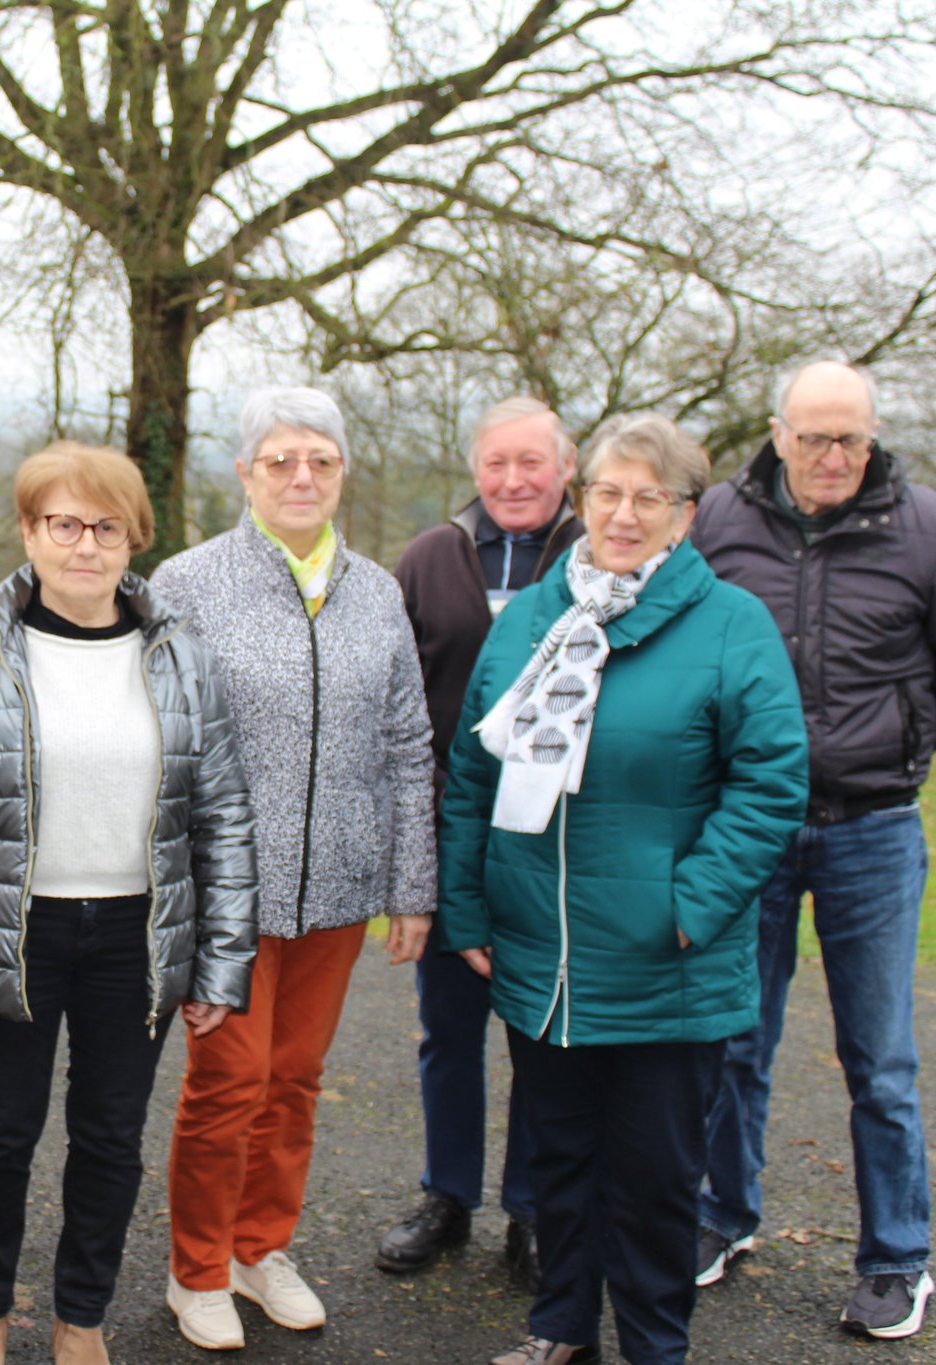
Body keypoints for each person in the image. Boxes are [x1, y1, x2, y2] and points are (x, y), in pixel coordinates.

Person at [440, 412, 808, 1365]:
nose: (625, 512)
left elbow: (771, 783)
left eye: (651, 497)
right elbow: (472, 771)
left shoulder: (731, 624)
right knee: (556, 1164)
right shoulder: (532, 619)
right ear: (583, 498)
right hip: (541, 957)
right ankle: (561, 1329)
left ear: (686, 515)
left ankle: (655, 1346)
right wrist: (470, 906)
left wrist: (689, 909)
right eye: (608, 492)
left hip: (661, 963)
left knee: (653, 1179)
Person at [0, 441, 257, 1365]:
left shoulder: (179, 657)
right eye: (63, 523)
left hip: (136, 935)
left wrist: (221, 963)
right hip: (14, 931)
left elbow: (225, 819)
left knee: (110, 1137)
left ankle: (80, 1319)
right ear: (29, 531)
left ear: (133, 538)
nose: (84, 545)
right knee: (2, 1132)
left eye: (105, 526)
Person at [692, 360, 936, 1340]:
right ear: (776, 433)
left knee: (877, 1059)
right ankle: (717, 1215)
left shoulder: (931, 527)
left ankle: (894, 1259)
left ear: (871, 439)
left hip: (871, 830)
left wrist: (900, 746)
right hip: (748, 825)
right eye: (814, 437)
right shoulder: (716, 521)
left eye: (852, 439)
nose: (833, 457)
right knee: (732, 1037)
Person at [154, 387, 438, 1351]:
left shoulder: (377, 591)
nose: (302, 476)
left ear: (342, 469)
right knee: (228, 1081)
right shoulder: (188, 583)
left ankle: (257, 1246)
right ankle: (196, 1267)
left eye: (319, 458)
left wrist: (410, 885)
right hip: (225, 893)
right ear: (245, 473)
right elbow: (160, 741)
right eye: (280, 460)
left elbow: (407, 741)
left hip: (339, 890)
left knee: (296, 1079)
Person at [380, 396, 584, 1284]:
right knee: (448, 1032)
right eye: (496, 464)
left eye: (530, 463)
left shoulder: (596, 559)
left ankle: (532, 1209)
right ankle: (447, 1194)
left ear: (565, 468)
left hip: (558, 844)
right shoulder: (430, 557)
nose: (512, 480)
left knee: (543, 1032)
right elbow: (395, 698)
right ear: (475, 470)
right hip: (449, 834)